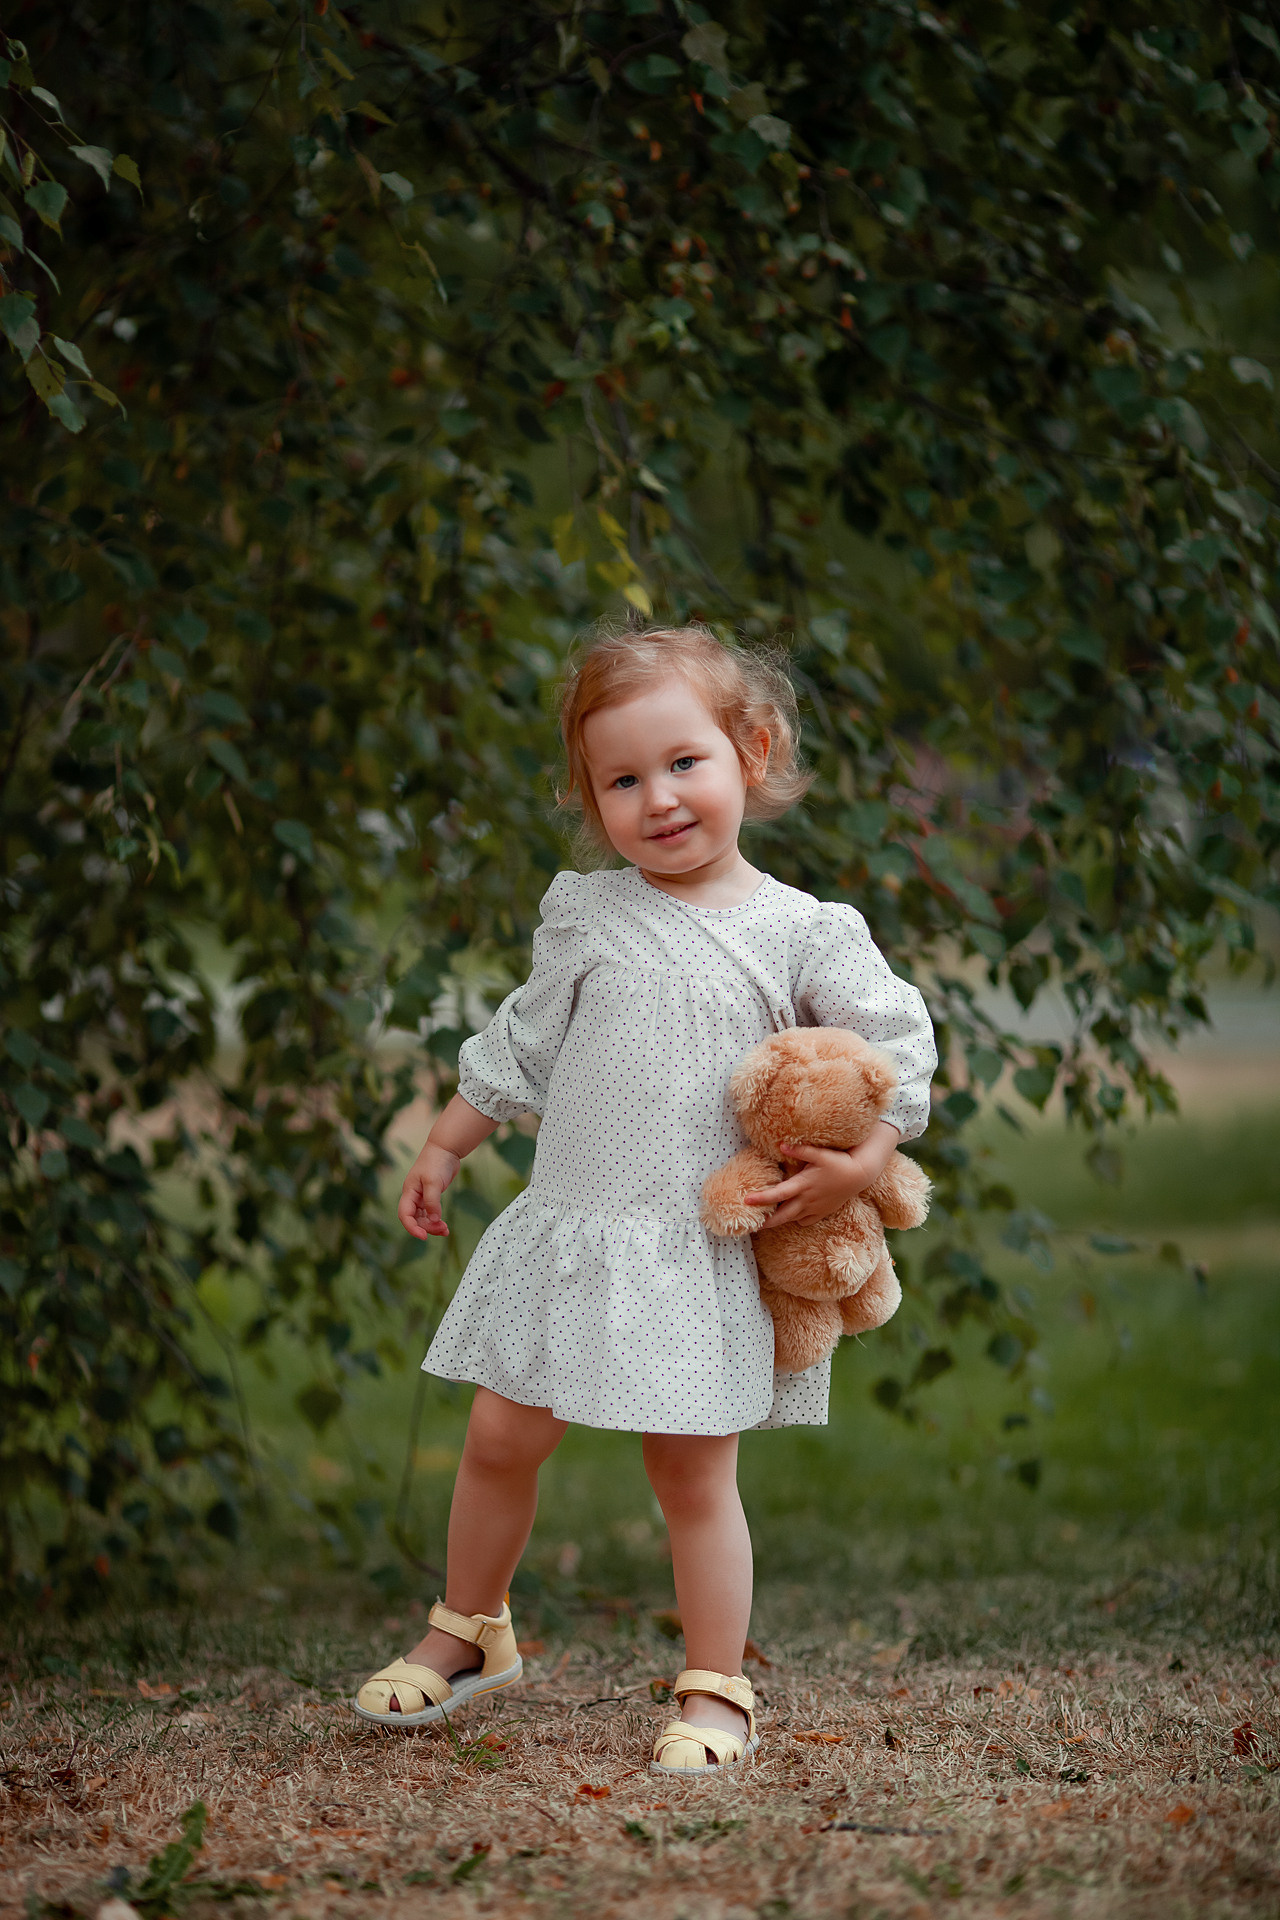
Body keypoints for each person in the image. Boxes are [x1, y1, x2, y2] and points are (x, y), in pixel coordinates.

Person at [353, 624, 937, 1772]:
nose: (657, 799)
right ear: (591, 798)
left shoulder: (801, 928)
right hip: (574, 1228)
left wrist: (867, 1159)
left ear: (750, 751)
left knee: (690, 1471)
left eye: (683, 763)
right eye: (622, 780)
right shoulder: (585, 912)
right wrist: (444, 1141)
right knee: (499, 1435)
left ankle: (715, 1686)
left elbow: (892, 1048)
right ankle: (467, 1631)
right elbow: (519, 1046)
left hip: (693, 1252)